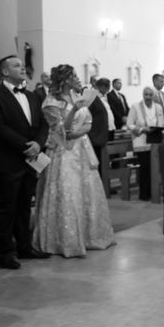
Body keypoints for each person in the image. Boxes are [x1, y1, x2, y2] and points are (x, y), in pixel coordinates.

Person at [32, 65, 114, 257]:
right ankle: (66, 240)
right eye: (74, 75)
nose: (77, 78)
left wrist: (83, 130)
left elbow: (88, 121)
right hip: (63, 152)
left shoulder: (78, 98)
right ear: (64, 79)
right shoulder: (51, 102)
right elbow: (60, 129)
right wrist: (72, 113)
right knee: (67, 190)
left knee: (88, 190)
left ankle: (89, 236)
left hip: (82, 148)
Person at [0, 55, 50, 269]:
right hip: (8, 158)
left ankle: (25, 247)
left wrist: (38, 144)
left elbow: (43, 124)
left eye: (22, 65)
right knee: (7, 207)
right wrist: (26, 145)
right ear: (4, 72)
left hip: (31, 158)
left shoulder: (32, 96)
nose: (22, 68)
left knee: (24, 206)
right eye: (17, 65)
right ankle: (4, 253)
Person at [127, 87, 164, 201]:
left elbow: (161, 122)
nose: (148, 97)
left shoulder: (158, 107)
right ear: (143, 95)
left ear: (154, 96)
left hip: (155, 140)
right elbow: (129, 124)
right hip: (141, 141)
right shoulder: (135, 106)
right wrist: (142, 129)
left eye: (150, 95)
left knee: (155, 167)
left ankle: (154, 191)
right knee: (145, 168)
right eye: (146, 94)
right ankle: (144, 194)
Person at [88, 78, 115, 175]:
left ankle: (106, 181)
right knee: (99, 161)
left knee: (106, 160)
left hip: (108, 130)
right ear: (102, 87)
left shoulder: (105, 97)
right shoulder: (92, 97)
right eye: (107, 87)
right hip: (97, 135)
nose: (108, 90)